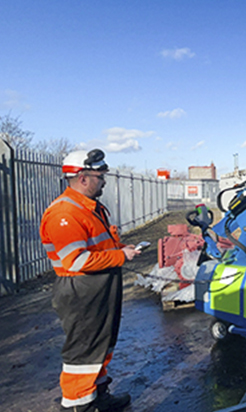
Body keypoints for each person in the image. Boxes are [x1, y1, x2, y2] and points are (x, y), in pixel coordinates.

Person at [40, 149, 140, 412]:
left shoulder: (89, 207)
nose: (104, 181)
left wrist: (121, 248)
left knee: (101, 345)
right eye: (99, 176)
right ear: (82, 178)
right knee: (83, 352)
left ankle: (99, 395)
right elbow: (75, 261)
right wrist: (120, 256)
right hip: (80, 289)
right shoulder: (64, 214)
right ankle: (78, 405)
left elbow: (99, 246)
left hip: (100, 285)